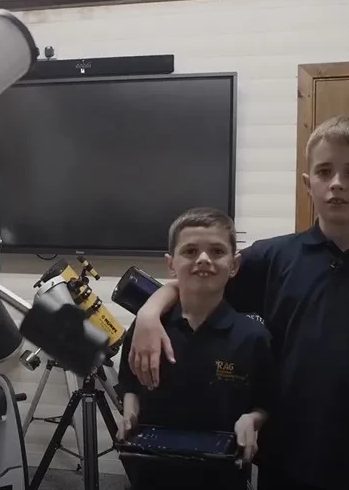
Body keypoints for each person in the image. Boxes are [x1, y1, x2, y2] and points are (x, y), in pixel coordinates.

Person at [125, 116, 349, 490]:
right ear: (307, 183)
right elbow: (194, 278)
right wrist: (151, 313)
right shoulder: (274, 258)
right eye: (325, 171)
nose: (337, 184)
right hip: (288, 458)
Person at [116, 207, 275, 490]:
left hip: (222, 477)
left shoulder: (253, 337)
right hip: (151, 474)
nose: (203, 259)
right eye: (190, 252)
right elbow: (129, 381)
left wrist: (253, 419)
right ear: (171, 264)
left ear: (235, 264)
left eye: (216, 251)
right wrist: (130, 408)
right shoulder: (147, 329)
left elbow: (266, 401)